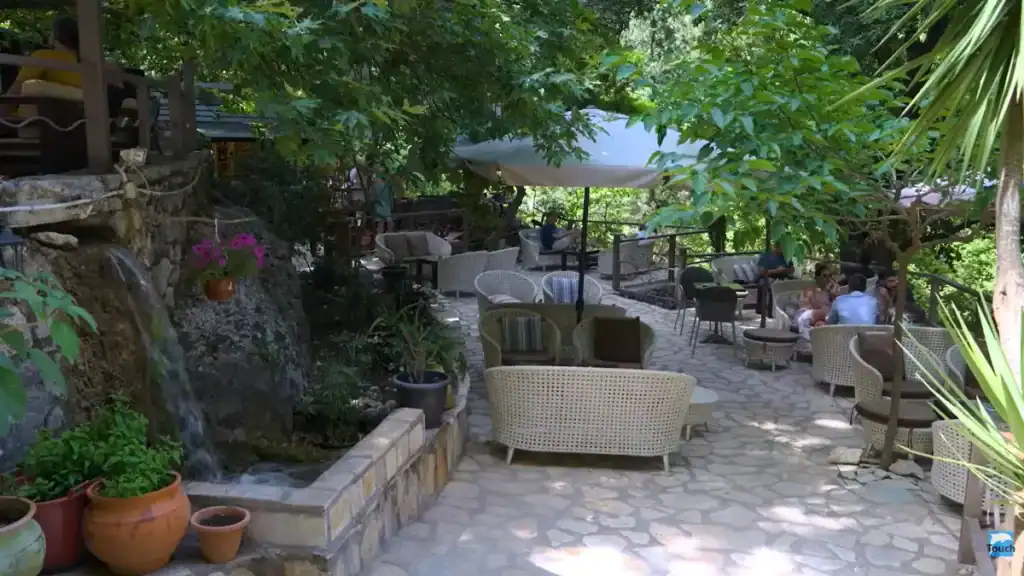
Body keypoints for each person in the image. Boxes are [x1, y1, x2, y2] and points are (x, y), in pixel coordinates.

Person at [794, 263, 840, 340]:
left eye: (830, 276)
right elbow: (806, 310)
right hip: (808, 318)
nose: (828, 278)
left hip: (823, 322)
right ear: (817, 278)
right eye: (824, 276)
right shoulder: (809, 291)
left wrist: (834, 297)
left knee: (821, 325)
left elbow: (835, 311)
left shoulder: (832, 293)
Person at [755, 242, 795, 315]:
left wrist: (785, 270)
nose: (780, 251)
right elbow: (761, 272)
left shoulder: (785, 255)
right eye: (778, 249)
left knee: (791, 285)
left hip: (782, 277)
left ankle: (785, 309)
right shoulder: (765, 255)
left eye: (782, 249)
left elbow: (792, 269)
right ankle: (770, 312)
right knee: (773, 286)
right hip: (766, 277)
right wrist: (776, 270)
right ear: (774, 247)